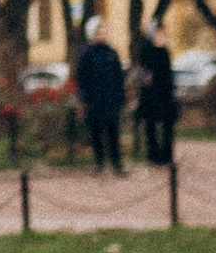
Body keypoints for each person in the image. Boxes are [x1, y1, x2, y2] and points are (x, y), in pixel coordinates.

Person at [74, 17, 127, 174]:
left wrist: (120, 96)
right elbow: (82, 78)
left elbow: (119, 77)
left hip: (111, 100)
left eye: (104, 32)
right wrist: (85, 98)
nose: (102, 35)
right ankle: (99, 163)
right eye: (99, 32)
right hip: (95, 101)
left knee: (113, 132)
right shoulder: (87, 54)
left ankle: (117, 164)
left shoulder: (111, 53)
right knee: (96, 133)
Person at [135, 27, 177, 170]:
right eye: (158, 35)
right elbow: (143, 75)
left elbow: (169, 76)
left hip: (165, 96)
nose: (161, 38)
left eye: (163, 35)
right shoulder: (147, 53)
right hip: (151, 97)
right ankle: (153, 155)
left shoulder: (165, 53)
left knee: (167, 127)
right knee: (151, 126)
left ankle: (167, 155)